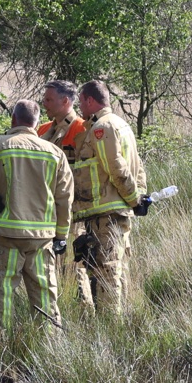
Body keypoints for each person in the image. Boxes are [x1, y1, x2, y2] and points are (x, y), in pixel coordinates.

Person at [0, 99, 73, 329]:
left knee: (1, 294)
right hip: (41, 239)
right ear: (37, 123)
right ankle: (50, 348)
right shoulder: (55, 153)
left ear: (13, 119)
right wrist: (61, 236)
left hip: (5, 235)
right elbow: (65, 198)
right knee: (45, 296)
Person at [71, 79, 148, 316]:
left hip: (108, 214)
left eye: (81, 102)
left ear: (90, 100)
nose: (80, 108)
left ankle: (111, 328)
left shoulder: (101, 128)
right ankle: (120, 323)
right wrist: (139, 197)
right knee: (117, 270)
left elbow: (117, 167)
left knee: (107, 271)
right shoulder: (121, 124)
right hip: (117, 211)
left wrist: (135, 199)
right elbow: (139, 166)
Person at [36, 79, 91, 296]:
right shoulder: (42, 130)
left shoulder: (81, 129)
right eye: (44, 99)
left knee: (74, 265)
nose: (44, 103)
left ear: (65, 101)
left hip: (73, 212)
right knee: (50, 267)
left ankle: (83, 312)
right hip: (45, 211)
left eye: (49, 99)